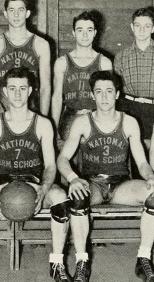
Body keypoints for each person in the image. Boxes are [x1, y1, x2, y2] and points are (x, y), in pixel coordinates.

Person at [0, 67, 70, 282]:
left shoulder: (43, 124)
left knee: (60, 197)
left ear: (30, 90)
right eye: (12, 88)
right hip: (2, 184)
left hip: (33, 184)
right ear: (4, 91)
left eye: (22, 88)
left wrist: (44, 189)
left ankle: (57, 262)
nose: (17, 94)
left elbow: (51, 166)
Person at [58, 70, 154, 282]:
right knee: (77, 198)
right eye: (99, 92)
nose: (104, 97)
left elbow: (142, 162)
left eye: (109, 91)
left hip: (121, 185)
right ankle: (82, 261)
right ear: (92, 95)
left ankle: (144, 258)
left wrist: (150, 177)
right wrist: (73, 178)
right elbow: (62, 158)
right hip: (92, 184)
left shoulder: (129, 122)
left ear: (117, 94)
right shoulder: (83, 122)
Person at [0, 0, 51, 126]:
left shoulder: (41, 44)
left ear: (28, 13)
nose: (16, 15)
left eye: (20, 10)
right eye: (12, 10)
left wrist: (43, 121)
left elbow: (45, 87)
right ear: (6, 14)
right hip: (0, 110)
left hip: (31, 109)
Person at [52, 11, 112, 148]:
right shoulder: (62, 62)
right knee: (69, 156)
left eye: (89, 30)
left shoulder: (104, 63)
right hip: (70, 117)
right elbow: (57, 98)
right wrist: (54, 128)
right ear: (73, 33)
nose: (85, 35)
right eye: (80, 30)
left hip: (97, 116)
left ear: (95, 32)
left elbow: (108, 98)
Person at [114, 7, 154, 149]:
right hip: (131, 109)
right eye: (138, 25)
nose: (142, 30)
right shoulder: (121, 56)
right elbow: (116, 90)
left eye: (147, 26)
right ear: (132, 27)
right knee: (135, 153)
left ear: (153, 28)